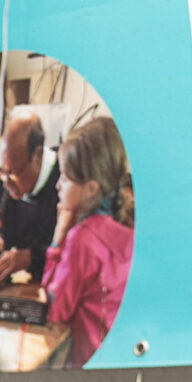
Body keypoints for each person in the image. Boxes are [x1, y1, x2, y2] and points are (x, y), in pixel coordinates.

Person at [42, 115, 135, 368]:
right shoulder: (129, 222)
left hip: (90, 363)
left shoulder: (82, 239)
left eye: (66, 177)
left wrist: (57, 240)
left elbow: (55, 308)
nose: (58, 185)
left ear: (92, 188)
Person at [0, 107, 60, 285]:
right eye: (3, 171)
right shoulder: (13, 179)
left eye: (13, 173)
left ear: (38, 155)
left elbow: (71, 253)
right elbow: (5, 225)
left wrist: (32, 257)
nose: (6, 182)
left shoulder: (66, 182)